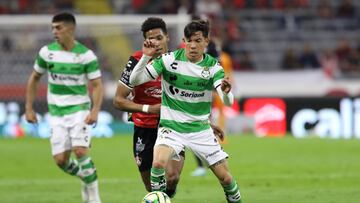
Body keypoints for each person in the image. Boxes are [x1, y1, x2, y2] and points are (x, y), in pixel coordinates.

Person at [130, 19, 242, 203]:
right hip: (171, 129)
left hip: (200, 131)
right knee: (157, 164)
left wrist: (227, 93)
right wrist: (145, 56)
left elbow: (227, 102)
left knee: (226, 179)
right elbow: (135, 81)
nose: (192, 45)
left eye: (198, 40)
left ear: (206, 42)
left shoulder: (213, 67)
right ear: (183, 40)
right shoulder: (168, 60)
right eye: (189, 40)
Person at [25, 13, 103, 203]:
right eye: (53, 28)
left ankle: (94, 198)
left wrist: (94, 111)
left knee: (80, 151)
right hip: (57, 113)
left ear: (71, 29)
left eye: (58, 27)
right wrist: (29, 108)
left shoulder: (85, 55)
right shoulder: (47, 52)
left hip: (79, 109)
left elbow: (97, 85)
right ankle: (86, 177)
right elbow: (35, 78)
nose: (54, 32)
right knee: (60, 160)